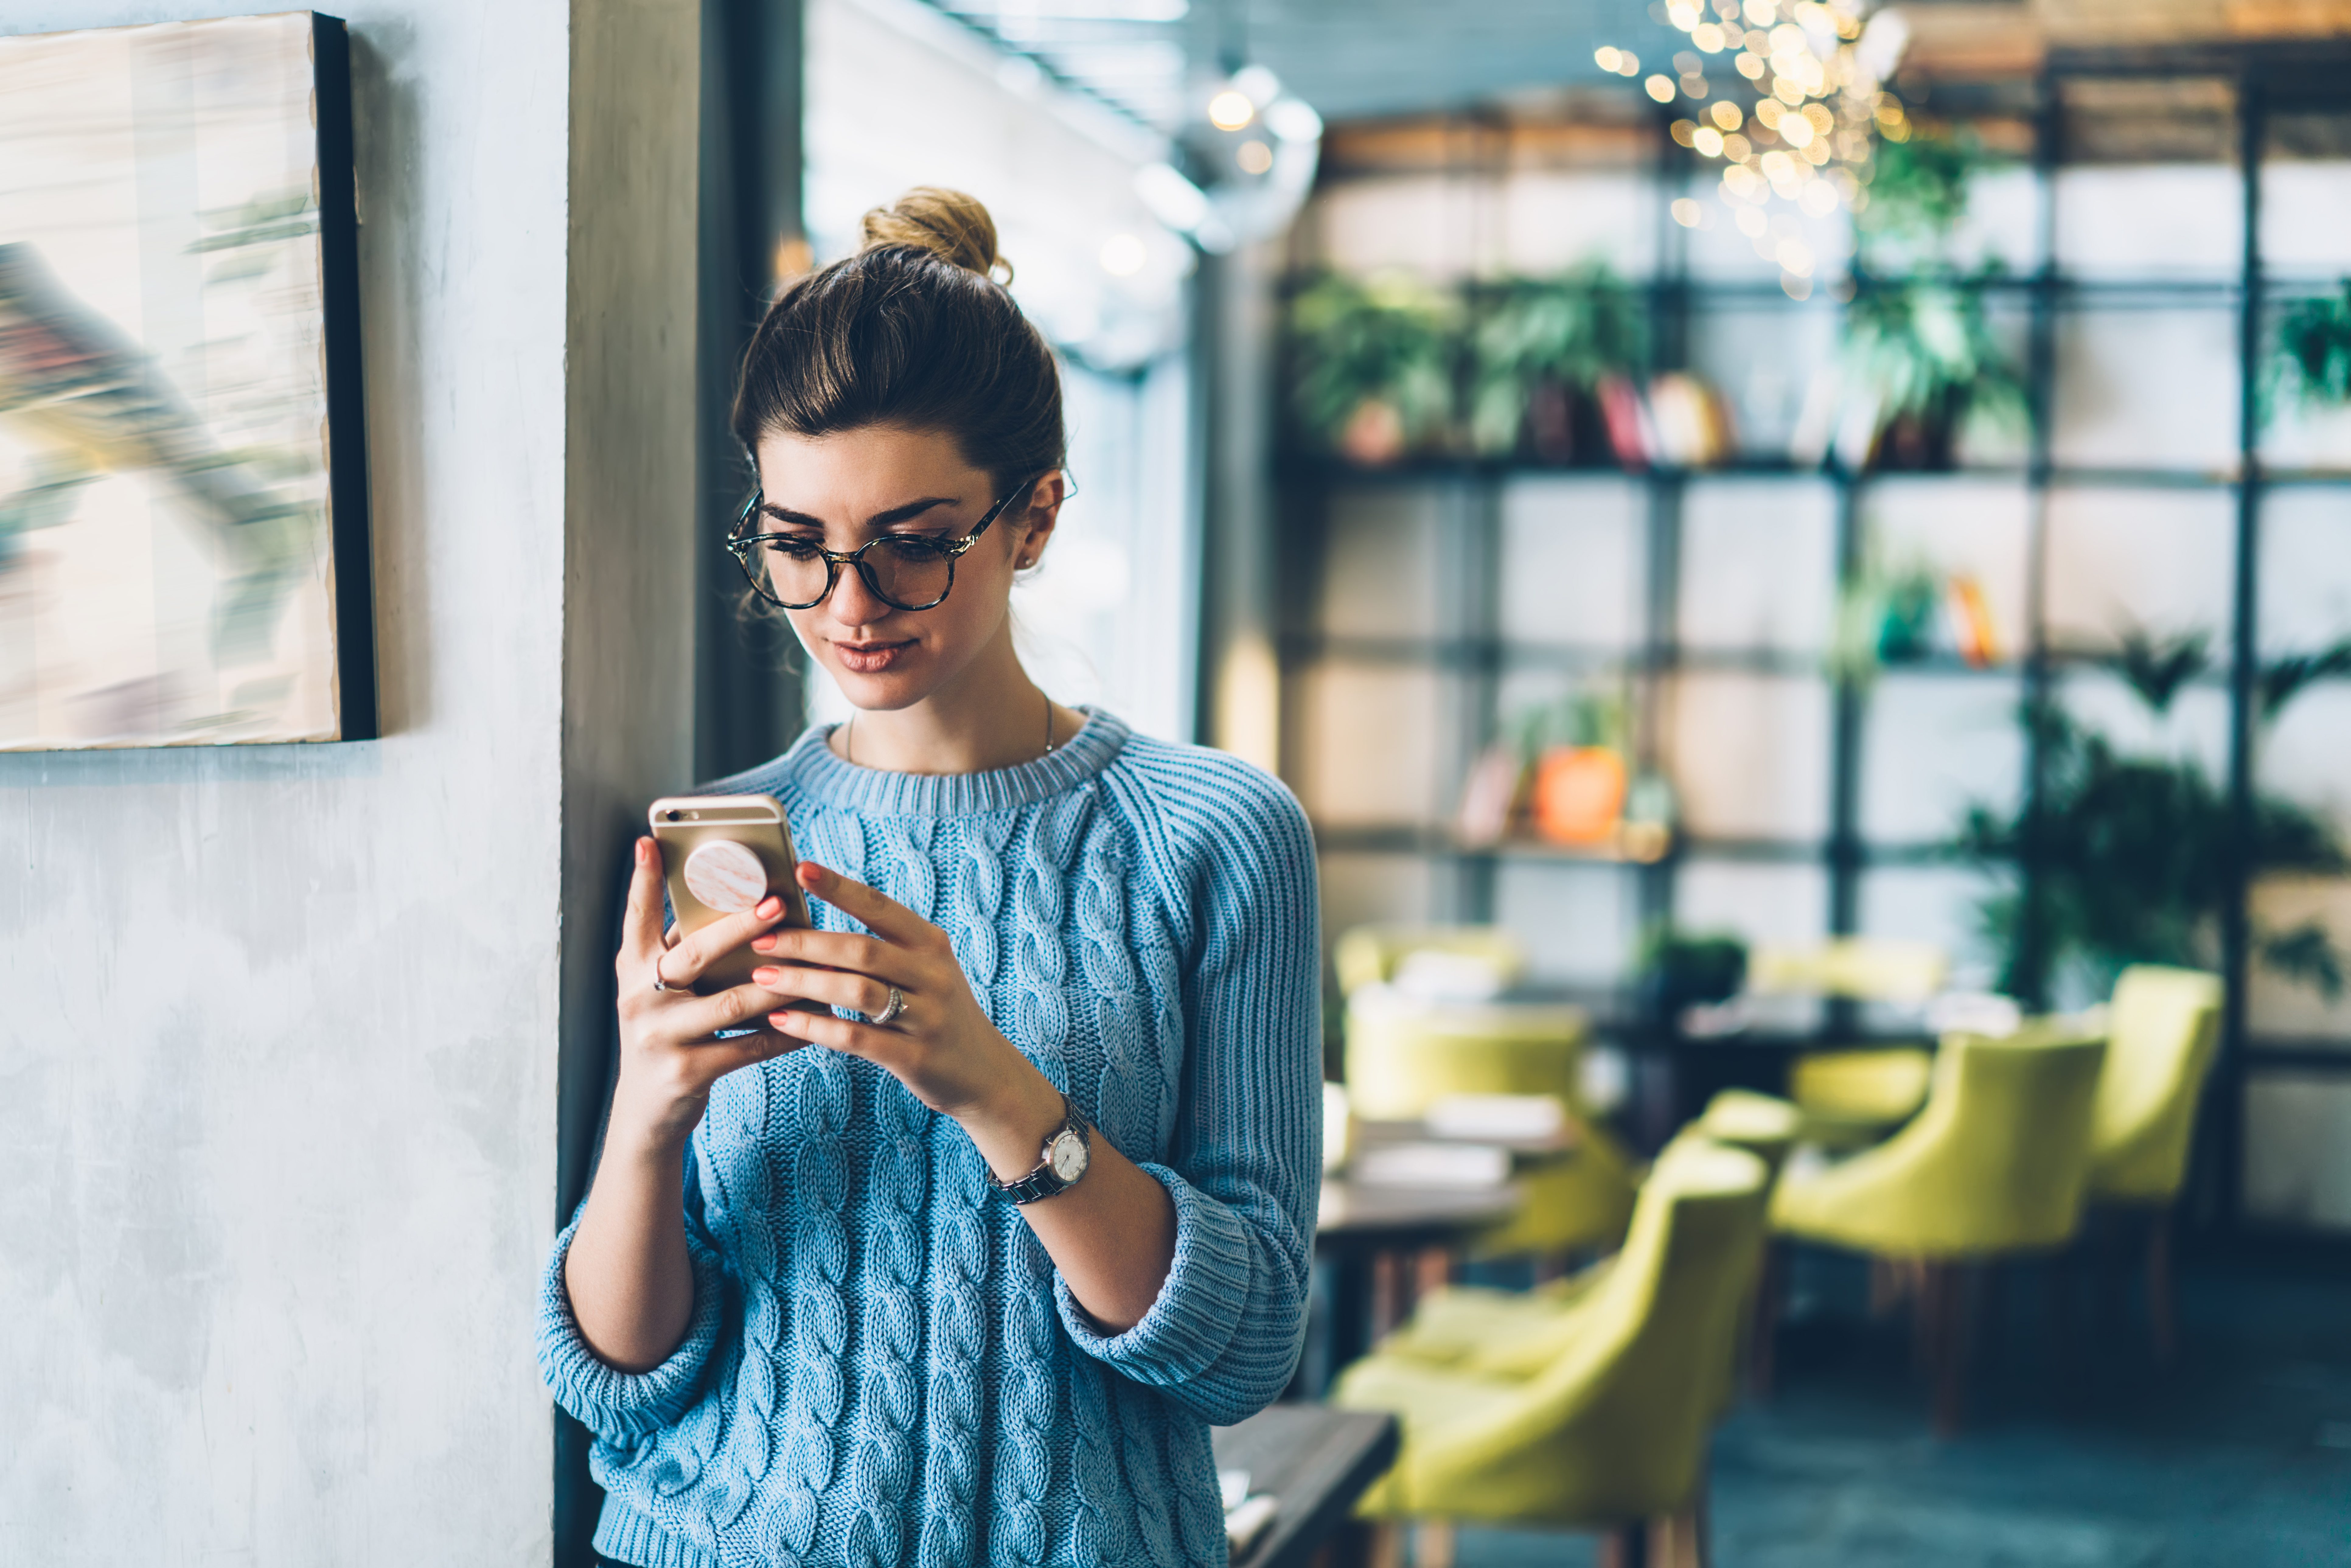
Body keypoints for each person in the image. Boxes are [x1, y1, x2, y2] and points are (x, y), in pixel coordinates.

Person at [537, 187, 1322, 1568]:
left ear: (1035, 519)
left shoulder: (1213, 834)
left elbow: (1246, 1347)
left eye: (914, 541)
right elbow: (622, 1368)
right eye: (797, 543)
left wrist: (992, 1084)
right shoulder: (724, 838)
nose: (851, 601)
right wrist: (649, 1111)